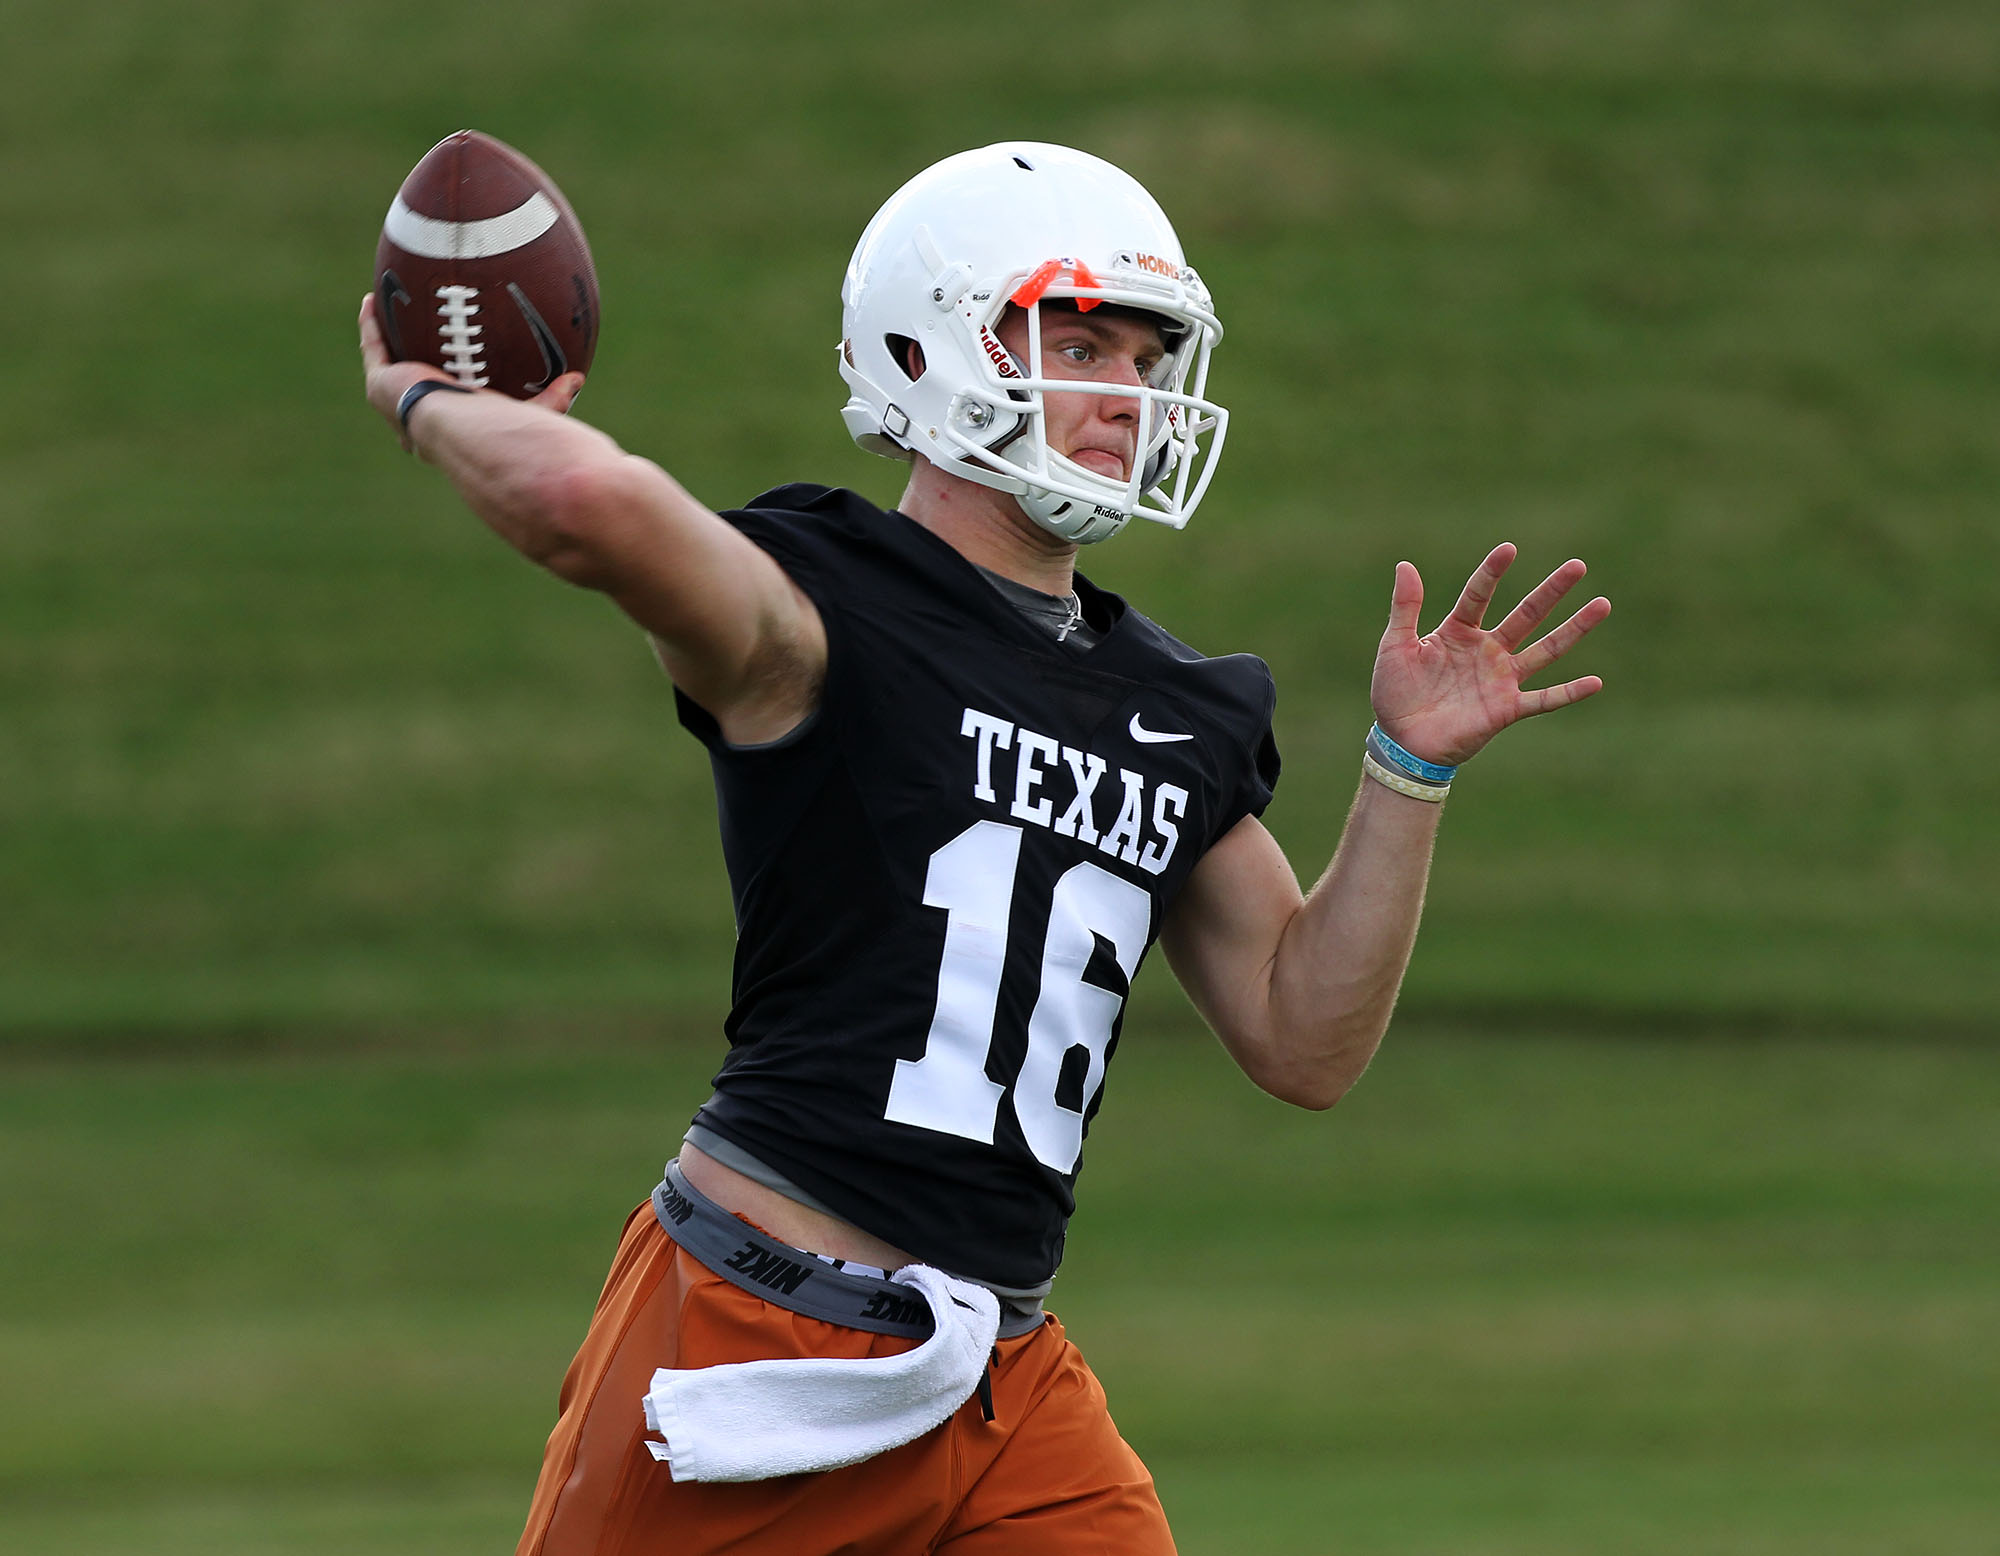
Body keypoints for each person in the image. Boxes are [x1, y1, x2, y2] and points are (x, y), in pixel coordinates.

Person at [358, 140, 1609, 1555]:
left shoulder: (1174, 702)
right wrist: (428, 400)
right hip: (757, 1336)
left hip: (1003, 1381)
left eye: (1149, 356)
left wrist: (1408, 772)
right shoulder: (822, 608)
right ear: (931, 347)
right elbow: (590, 505)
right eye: (1081, 340)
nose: (1126, 395)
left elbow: (1303, 1037)